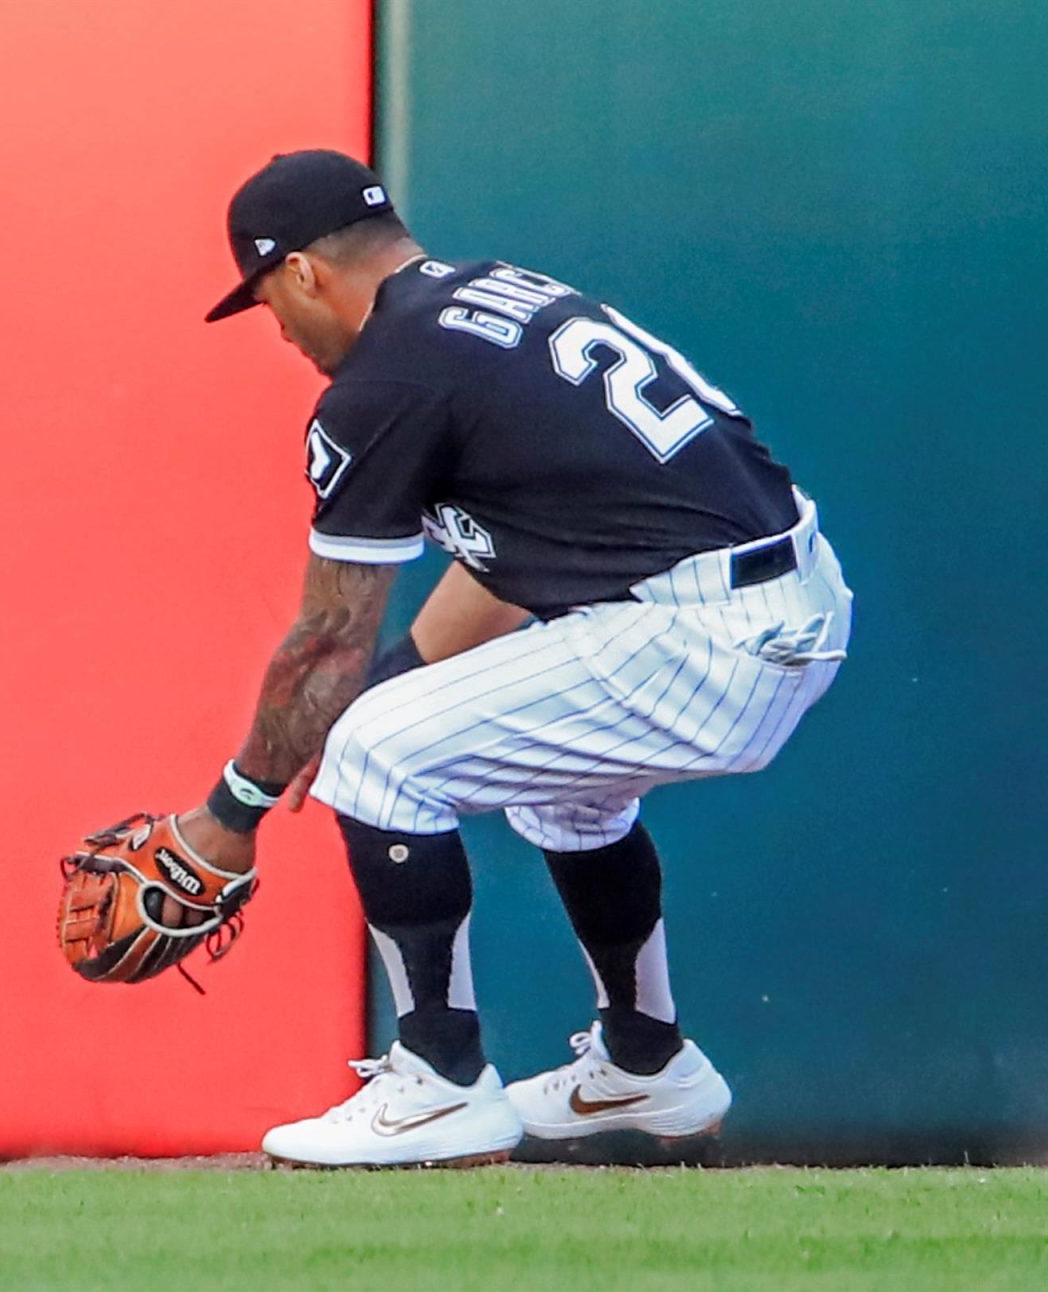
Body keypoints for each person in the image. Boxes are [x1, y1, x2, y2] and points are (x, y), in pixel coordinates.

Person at [173, 150, 852, 1168]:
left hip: (703, 632)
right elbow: (513, 560)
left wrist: (232, 813)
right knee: (561, 790)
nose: (282, 331)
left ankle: (437, 1080)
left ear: (306, 273)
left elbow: (326, 637)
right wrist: (402, 683)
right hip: (783, 598)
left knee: (376, 754)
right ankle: (646, 1058)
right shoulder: (492, 297)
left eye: (272, 304)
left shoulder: (387, 376)